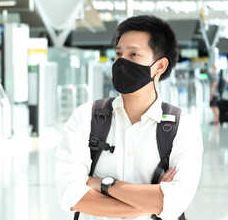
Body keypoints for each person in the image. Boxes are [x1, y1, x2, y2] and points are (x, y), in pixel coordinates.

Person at [55, 15, 203, 220]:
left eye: (134, 54)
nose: (122, 61)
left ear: (160, 66)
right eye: (118, 53)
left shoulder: (182, 127)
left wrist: (101, 184)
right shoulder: (87, 117)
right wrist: (153, 201)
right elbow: (71, 196)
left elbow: (176, 202)